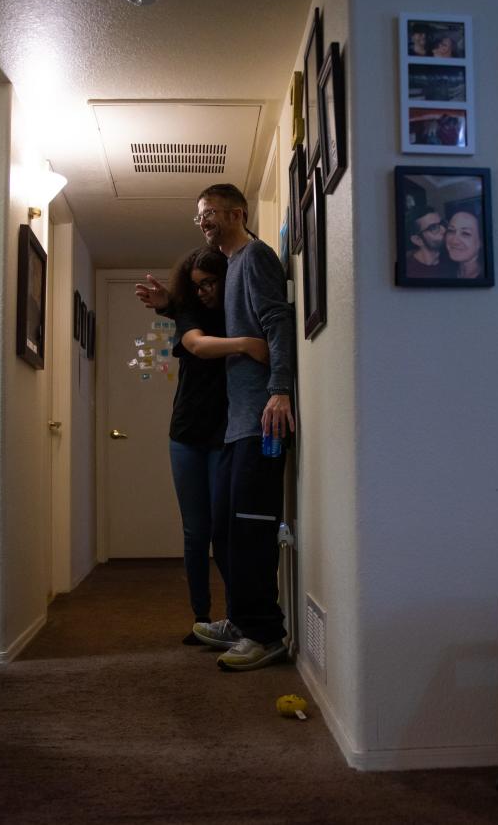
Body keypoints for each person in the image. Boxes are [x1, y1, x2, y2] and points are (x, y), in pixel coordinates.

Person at [134, 247, 269, 644]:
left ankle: (236, 617)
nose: (204, 291)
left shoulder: (238, 310)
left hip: (224, 435)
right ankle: (201, 617)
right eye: (196, 286)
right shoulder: (191, 313)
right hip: (186, 435)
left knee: (224, 531)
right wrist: (245, 344)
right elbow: (196, 344)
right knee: (196, 532)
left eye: (210, 282)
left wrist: (169, 306)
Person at [189, 184, 297, 672]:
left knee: (252, 530)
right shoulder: (229, 266)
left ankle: (265, 632)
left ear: (238, 213)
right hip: (237, 428)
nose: (204, 222)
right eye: (200, 216)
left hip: (262, 422)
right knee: (224, 532)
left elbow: (278, 320)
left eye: (210, 213)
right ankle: (239, 617)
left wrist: (280, 389)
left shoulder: (254, 256)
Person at [404, 205, 448, 278]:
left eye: (442, 223)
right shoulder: (408, 271)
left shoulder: (452, 259)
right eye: (433, 228)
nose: (444, 230)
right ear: (418, 240)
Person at [444, 210, 483, 279]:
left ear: (480, 242)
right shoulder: (444, 273)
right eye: (451, 230)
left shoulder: (483, 277)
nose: (454, 241)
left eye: (465, 233)